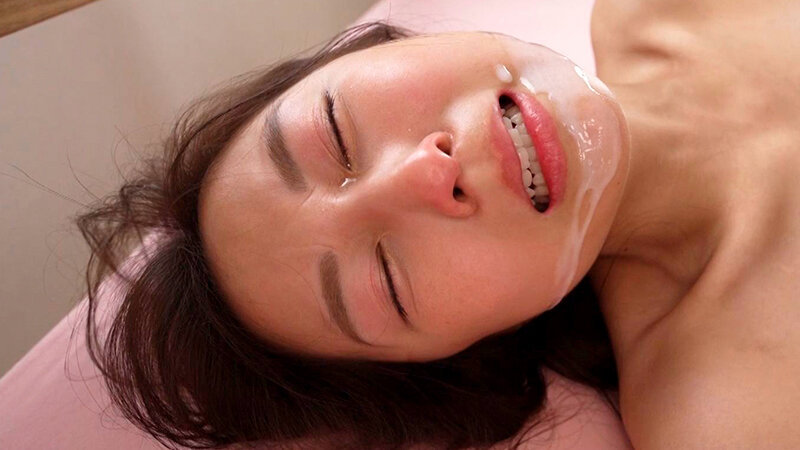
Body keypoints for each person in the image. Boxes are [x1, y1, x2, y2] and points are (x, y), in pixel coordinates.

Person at [75, 0, 800, 448]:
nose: (426, 172)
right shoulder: (730, 419)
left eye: (336, 133)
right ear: (473, 354)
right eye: (388, 279)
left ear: (381, 46)